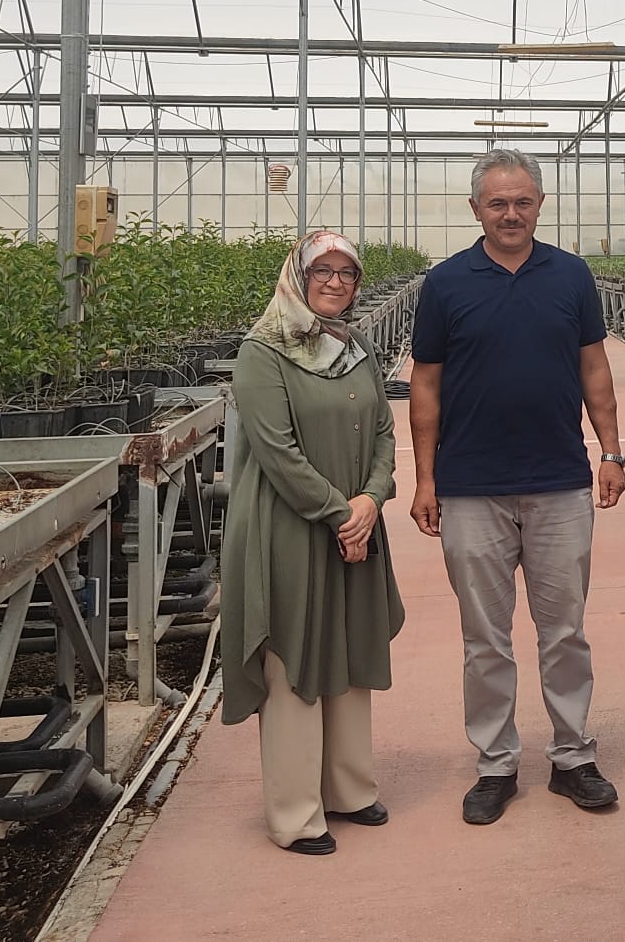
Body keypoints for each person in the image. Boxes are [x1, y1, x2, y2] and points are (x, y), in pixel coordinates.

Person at [409, 148, 625, 827]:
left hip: (559, 481)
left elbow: (595, 369)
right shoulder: (445, 284)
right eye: (497, 202)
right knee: (485, 637)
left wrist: (612, 452)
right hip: (472, 487)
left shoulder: (570, 276)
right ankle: (496, 763)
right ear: (476, 209)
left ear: (539, 205)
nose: (511, 212)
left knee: (564, 631)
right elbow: (425, 383)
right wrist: (425, 478)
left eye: (522, 201)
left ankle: (572, 757)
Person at [221, 230, 404, 855]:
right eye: (321, 271)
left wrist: (371, 501)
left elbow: (383, 431)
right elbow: (277, 452)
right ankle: (296, 811)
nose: (334, 282)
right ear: (297, 276)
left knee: (348, 644)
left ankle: (349, 789)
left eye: (347, 273)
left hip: (353, 522)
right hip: (289, 528)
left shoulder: (356, 347)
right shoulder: (262, 350)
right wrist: (340, 513)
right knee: (294, 657)